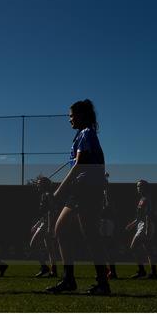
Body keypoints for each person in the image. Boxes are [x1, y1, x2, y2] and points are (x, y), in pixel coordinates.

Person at [46, 99, 110, 295]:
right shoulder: (82, 135)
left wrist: (58, 192)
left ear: (81, 115)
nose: (70, 119)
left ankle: (101, 283)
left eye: (72, 115)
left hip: (87, 189)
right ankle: (69, 279)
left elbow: (79, 165)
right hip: (81, 189)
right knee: (62, 229)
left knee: (89, 235)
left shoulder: (87, 134)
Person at [125, 180, 157, 279]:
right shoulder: (142, 199)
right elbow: (140, 216)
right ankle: (153, 273)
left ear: (145, 187)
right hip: (141, 225)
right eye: (137, 186)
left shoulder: (147, 199)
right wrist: (132, 224)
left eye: (139, 186)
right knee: (148, 250)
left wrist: (147, 228)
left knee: (133, 247)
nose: (138, 188)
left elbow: (148, 215)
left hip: (145, 226)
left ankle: (142, 271)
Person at [30, 176, 58, 278]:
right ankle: (53, 271)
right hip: (44, 222)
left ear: (44, 185)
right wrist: (37, 224)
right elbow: (45, 213)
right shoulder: (43, 195)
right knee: (50, 248)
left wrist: (50, 227)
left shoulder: (47, 195)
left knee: (33, 244)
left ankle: (44, 267)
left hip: (47, 224)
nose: (37, 185)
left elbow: (51, 212)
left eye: (39, 183)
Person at [100, 172, 118, 279]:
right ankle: (108, 270)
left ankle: (111, 271)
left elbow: (108, 206)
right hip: (103, 220)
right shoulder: (102, 192)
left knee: (106, 246)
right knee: (103, 246)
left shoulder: (106, 193)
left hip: (106, 220)